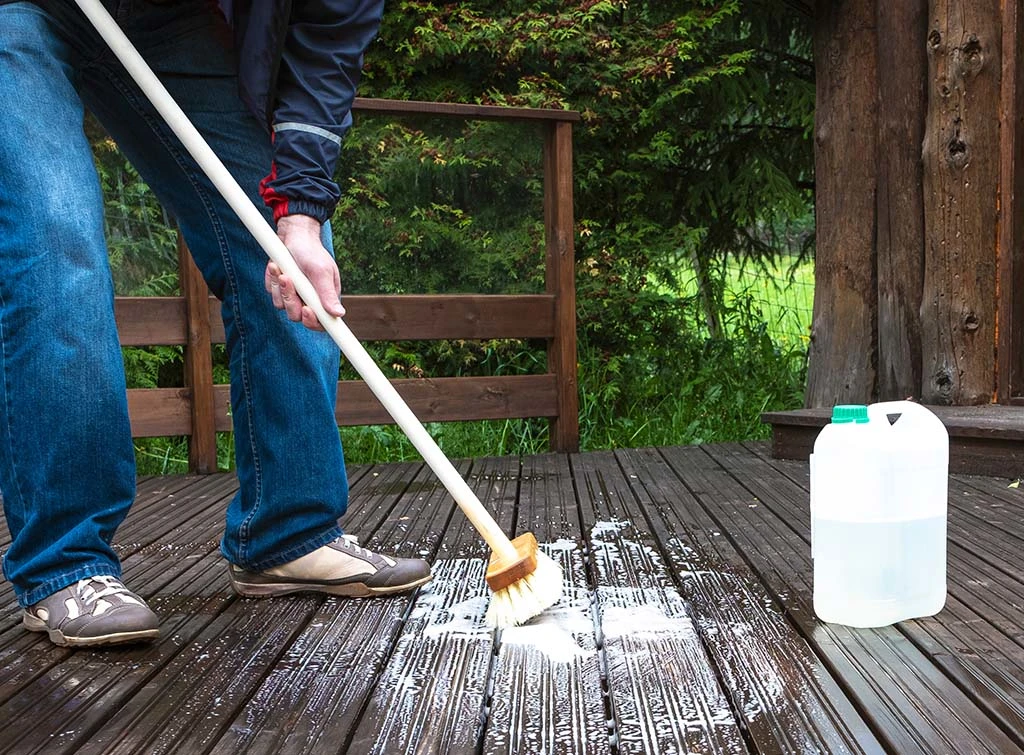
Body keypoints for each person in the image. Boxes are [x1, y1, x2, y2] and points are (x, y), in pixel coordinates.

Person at [0, 0, 432, 648]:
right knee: (56, 240)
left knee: (281, 246)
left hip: (174, 15)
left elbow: (325, 52)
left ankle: (288, 531)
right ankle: (67, 563)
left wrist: (301, 214)